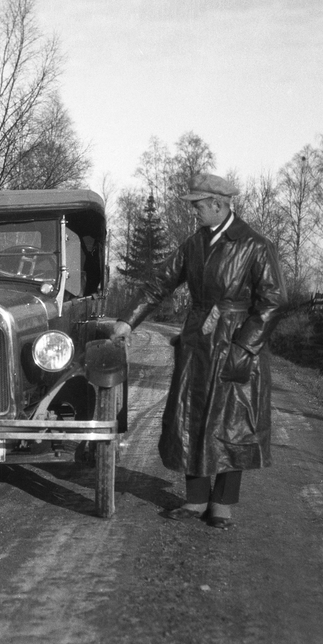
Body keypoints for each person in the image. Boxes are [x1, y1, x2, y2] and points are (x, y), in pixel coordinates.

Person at [111, 172, 283, 529]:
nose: (194, 213)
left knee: (232, 422)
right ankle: (195, 500)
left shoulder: (255, 245)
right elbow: (159, 284)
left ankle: (222, 504)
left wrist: (244, 347)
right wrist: (128, 321)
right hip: (197, 343)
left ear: (218, 205)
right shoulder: (194, 244)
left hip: (237, 344)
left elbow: (272, 302)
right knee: (192, 417)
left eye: (198, 206)